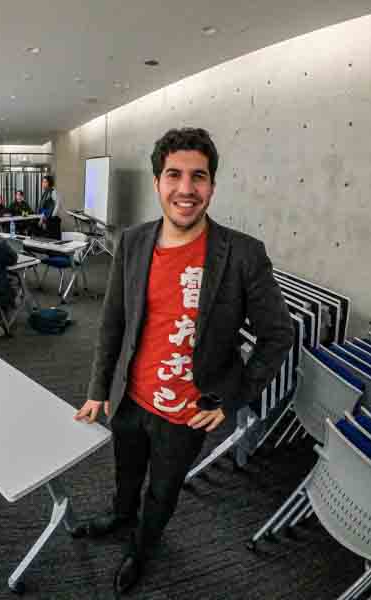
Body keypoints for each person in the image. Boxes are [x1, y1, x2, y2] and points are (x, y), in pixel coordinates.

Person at [72, 128, 294, 595]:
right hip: (130, 399)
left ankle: (143, 548)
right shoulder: (132, 243)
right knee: (126, 474)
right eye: (174, 174)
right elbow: (112, 323)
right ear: (158, 182)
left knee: (163, 491)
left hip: (189, 413)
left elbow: (278, 335)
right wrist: (98, 390)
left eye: (199, 176)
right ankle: (118, 516)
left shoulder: (242, 254)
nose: (186, 188)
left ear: (212, 185)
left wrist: (234, 398)